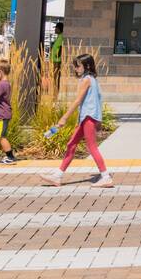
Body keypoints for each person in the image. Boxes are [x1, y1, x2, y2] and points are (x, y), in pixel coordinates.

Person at [42, 53, 114, 187]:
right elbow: (97, 100)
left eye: (78, 66)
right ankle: (58, 176)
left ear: (86, 66)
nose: (75, 69)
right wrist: (99, 120)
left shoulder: (86, 79)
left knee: (91, 147)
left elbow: (78, 100)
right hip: (88, 117)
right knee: (71, 144)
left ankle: (105, 176)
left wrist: (64, 117)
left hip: (88, 117)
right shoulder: (92, 79)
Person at [49, 21, 65, 92]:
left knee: (56, 77)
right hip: (54, 60)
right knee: (54, 77)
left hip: (57, 61)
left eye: (56, 28)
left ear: (59, 29)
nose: (55, 30)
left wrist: (58, 55)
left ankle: (56, 91)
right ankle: (55, 90)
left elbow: (61, 47)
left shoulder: (61, 37)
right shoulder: (59, 37)